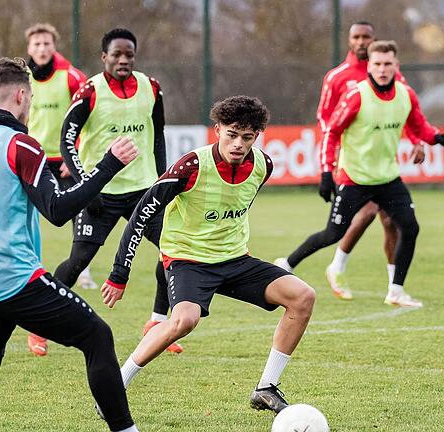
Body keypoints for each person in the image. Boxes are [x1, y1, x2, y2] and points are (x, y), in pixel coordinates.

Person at [0, 57, 141, 432]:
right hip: (14, 280)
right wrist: (108, 166)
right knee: (97, 337)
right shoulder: (22, 144)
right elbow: (56, 210)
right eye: (31, 98)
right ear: (21, 96)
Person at [100, 95, 316, 414]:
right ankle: (115, 388)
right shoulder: (191, 165)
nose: (238, 143)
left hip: (235, 260)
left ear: (257, 136)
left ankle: (265, 388)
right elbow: (142, 213)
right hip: (188, 261)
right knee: (185, 320)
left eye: (247, 137)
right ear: (217, 130)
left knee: (303, 297)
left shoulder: (263, 166)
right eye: (232, 134)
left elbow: (235, 209)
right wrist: (119, 274)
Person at [278, 41, 444, 308]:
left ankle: (396, 291)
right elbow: (332, 133)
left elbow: (418, 124)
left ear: (396, 66)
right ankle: (287, 264)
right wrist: (326, 173)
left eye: (388, 64)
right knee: (332, 234)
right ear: (369, 66)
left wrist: (435, 137)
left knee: (410, 226)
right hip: (355, 180)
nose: (382, 69)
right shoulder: (356, 96)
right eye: (377, 64)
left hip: (388, 180)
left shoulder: (406, 94)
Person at [56, 28, 182, 353]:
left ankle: (157, 322)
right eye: (117, 54)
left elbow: (158, 136)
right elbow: (66, 141)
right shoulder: (89, 91)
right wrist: (88, 184)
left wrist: (162, 179)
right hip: (100, 192)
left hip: (143, 191)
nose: (123, 60)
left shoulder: (151, 88)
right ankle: (40, 326)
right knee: (79, 259)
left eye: (129, 55)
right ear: (104, 57)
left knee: (173, 250)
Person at [21, 22, 93, 357]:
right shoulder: (21, 77)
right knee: (24, 217)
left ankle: (82, 264)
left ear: (54, 45)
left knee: (81, 214)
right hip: (30, 160)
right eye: (36, 43)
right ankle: (27, 267)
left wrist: (73, 153)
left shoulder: (72, 77)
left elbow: (87, 117)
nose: (42, 48)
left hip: (64, 160)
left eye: (47, 42)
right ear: (29, 47)